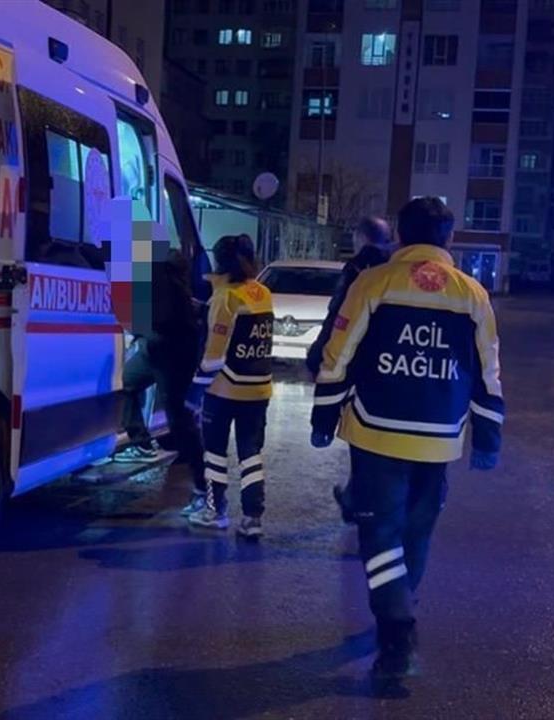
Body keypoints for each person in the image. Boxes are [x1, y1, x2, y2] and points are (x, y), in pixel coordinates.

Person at [310, 197, 505, 682]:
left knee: (379, 536)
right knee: (416, 534)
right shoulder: (473, 295)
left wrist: (324, 416)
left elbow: (338, 355)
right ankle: (402, 602)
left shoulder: (373, 283)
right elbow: (487, 373)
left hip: (376, 434)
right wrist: (488, 437)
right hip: (438, 440)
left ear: (399, 234)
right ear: (449, 238)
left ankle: (397, 632)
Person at [185, 234, 274, 538]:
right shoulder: (263, 292)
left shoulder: (225, 297)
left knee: (215, 453)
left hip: (224, 390)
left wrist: (194, 394)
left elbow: (214, 356)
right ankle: (252, 518)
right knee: (251, 454)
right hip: (259, 389)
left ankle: (215, 510)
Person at [115, 247, 204, 496]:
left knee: (175, 410)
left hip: (166, 353)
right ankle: (142, 442)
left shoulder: (164, 287)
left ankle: (197, 466)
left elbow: (147, 320)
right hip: (159, 351)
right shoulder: (177, 288)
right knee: (128, 384)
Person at [305, 216, 394, 379]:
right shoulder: (395, 270)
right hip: (386, 361)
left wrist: (316, 357)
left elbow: (338, 313)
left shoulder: (356, 268)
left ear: (362, 237)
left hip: (354, 356)